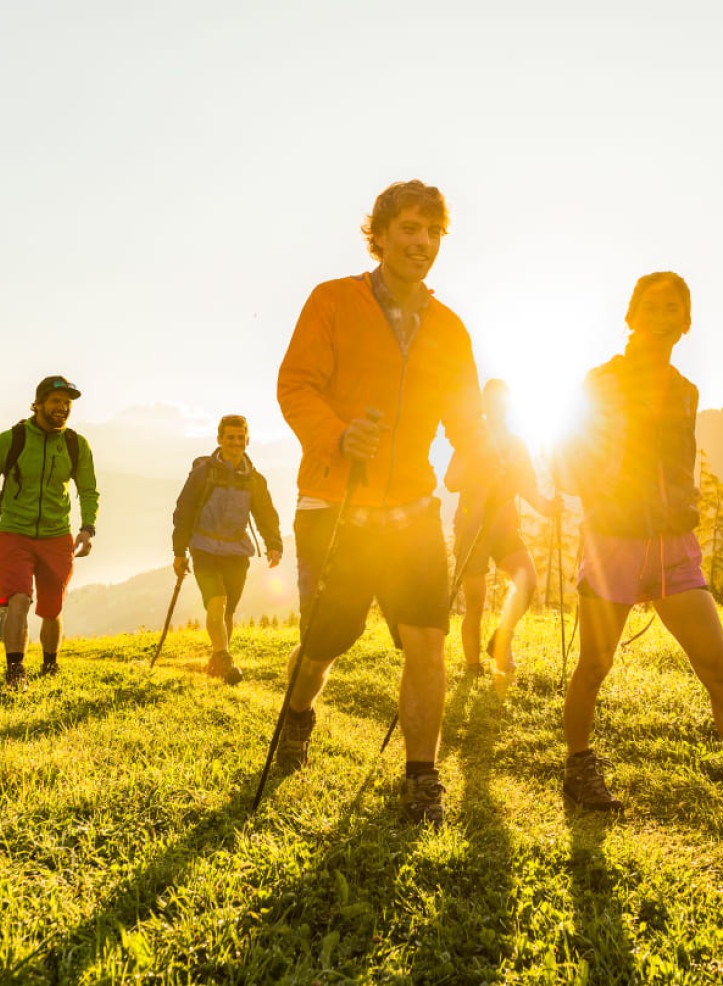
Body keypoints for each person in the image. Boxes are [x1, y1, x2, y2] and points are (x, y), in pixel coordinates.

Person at [557, 273, 723, 833]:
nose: (662, 316)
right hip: (613, 543)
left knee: (718, 667)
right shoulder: (601, 381)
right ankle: (578, 767)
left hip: (674, 546)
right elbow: (571, 458)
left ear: (686, 323)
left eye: (673, 308)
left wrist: (684, 504)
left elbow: (680, 461)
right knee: (595, 666)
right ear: (631, 315)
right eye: (651, 305)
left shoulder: (685, 391)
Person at [276, 179, 487, 826]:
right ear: (381, 235)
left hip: (413, 512)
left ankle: (421, 780)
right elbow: (296, 385)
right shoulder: (333, 300)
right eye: (409, 229)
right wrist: (338, 436)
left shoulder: (449, 329)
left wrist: (484, 455)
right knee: (326, 643)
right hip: (335, 507)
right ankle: (298, 711)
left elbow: (465, 418)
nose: (422, 242)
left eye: (433, 231)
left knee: (427, 641)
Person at [0, 375, 99, 687]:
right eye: (55, 401)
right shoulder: (11, 440)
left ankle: (50, 665)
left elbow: (88, 490)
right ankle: (15, 670)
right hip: (14, 533)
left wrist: (87, 528)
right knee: (19, 599)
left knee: (52, 609)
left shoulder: (76, 445)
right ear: (38, 404)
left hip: (57, 535)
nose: (62, 407)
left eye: (67, 403)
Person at [444, 378, 560, 689]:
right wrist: (478, 465)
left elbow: (528, 488)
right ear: (484, 406)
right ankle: (473, 668)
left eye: (501, 403)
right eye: (491, 403)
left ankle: (501, 637)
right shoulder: (471, 438)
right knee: (476, 602)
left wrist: (548, 507)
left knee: (528, 580)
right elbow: (451, 481)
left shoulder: (517, 445)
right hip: (472, 526)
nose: (496, 408)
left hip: (505, 524)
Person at [171, 414, 283, 684]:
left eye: (240, 437)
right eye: (230, 437)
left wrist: (274, 544)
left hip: (237, 551)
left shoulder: (254, 479)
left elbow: (266, 514)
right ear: (219, 439)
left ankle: (218, 660)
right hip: (204, 547)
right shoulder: (203, 473)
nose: (235, 442)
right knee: (217, 602)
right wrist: (179, 551)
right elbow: (184, 510)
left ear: (247, 440)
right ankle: (224, 658)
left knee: (228, 611)